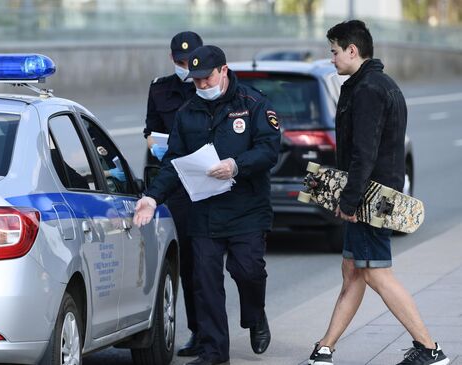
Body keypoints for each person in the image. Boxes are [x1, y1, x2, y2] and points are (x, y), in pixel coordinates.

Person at [308, 20, 449, 365]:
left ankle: (429, 348)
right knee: (353, 270)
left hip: (371, 200)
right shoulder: (376, 84)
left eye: (335, 51)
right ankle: (325, 348)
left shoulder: (368, 89)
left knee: (375, 272)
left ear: (352, 50)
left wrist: (350, 200)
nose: (332, 58)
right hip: (375, 197)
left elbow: (364, 153)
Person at [134, 45, 280, 365]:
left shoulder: (253, 104)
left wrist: (236, 165)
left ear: (223, 71)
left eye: (207, 78)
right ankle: (215, 353)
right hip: (205, 210)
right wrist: (152, 197)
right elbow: (173, 160)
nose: (202, 86)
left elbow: (270, 150)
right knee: (205, 284)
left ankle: (255, 317)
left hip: (247, 208)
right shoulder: (188, 112)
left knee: (248, 271)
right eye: (196, 81)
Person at [143, 30, 203, 357]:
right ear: (172, 60)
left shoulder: (209, 86)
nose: (185, 66)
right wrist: (156, 146)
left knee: (217, 264)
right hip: (176, 185)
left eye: (190, 60)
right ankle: (199, 331)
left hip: (209, 185)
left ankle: (252, 316)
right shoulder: (160, 88)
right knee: (190, 264)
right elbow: (149, 131)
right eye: (179, 61)